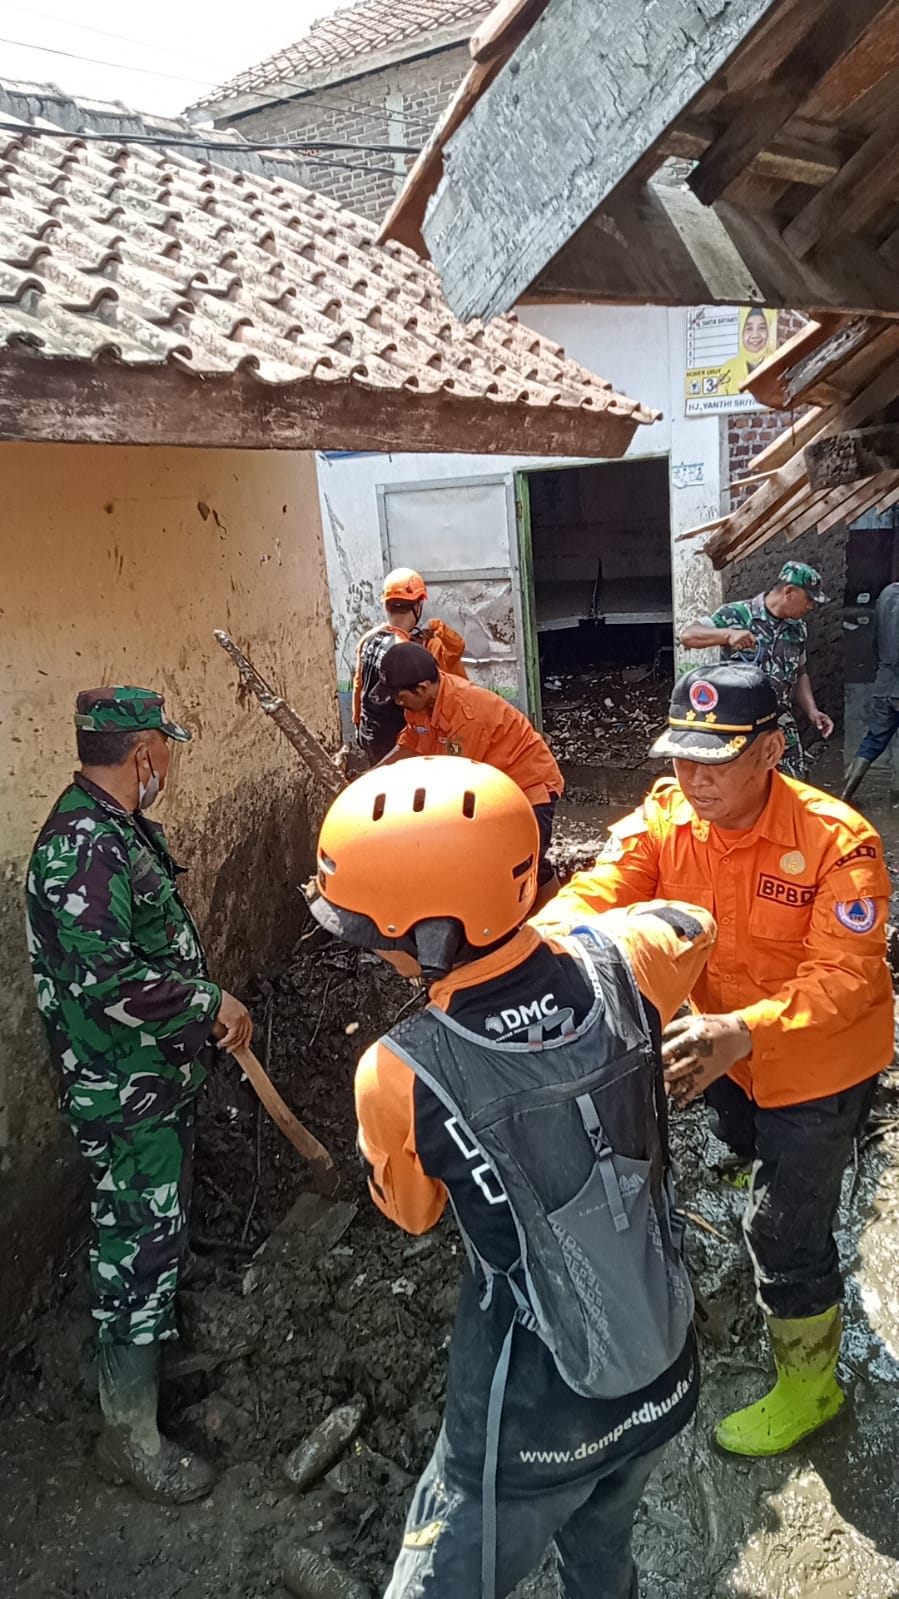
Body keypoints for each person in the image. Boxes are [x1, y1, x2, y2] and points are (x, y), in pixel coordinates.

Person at [308, 755, 715, 1599]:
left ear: (426, 940)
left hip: (531, 1413)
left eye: (374, 935)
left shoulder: (399, 1071)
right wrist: (558, 942)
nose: (373, 950)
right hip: (660, 1364)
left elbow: (415, 1215)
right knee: (604, 1552)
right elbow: (692, 924)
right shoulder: (626, 956)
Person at [536, 664, 893, 1457]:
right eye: (680, 757)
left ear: (770, 750)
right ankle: (750, 1159)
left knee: (784, 1230)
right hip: (726, 1051)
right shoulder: (668, 816)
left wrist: (744, 1028)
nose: (693, 779)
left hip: (820, 1066)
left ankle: (811, 1385)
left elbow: (846, 975)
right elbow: (601, 886)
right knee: (736, 1127)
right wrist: (533, 952)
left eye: (717, 759)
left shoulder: (838, 842)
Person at [25, 686, 253, 1502]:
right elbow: (106, 981)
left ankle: (150, 1374)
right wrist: (208, 1002)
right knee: (136, 1250)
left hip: (152, 1081)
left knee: (155, 1235)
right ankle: (129, 1436)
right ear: (143, 753)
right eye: (169, 745)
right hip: (122, 1094)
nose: (173, 761)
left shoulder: (113, 829)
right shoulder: (82, 849)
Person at [371, 640, 564, 897]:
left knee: (522, 863)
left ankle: (552, 922)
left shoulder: (466, 716)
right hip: (491, 787)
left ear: (422, 688)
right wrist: (372, 778)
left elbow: (456, 783)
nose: (397, 702)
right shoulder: (420, 704)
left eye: (399, 696)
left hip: (528, 787)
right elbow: (412, 743)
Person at [679, 560, 833, 779]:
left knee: (794, 784)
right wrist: (727, 635)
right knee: (743, 783)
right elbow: (688, 636)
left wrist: (812, 711)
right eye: (809, 599)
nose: (811, 606)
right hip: (740, 723)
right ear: (789, 592)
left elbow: (800, 673)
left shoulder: (798, 629)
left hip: (780, 721)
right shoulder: (737, 614)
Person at [353, 567, 467, 766]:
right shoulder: (406, 654)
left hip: (369, 731)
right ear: (418, 606)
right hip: (397, 737)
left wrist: (357, 724)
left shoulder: (368, 638)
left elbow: (358, 687)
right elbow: (423, 701)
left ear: (387, 606)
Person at [842, 580, 899, 802]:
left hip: (885, 683)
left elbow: (875, 640)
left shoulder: (886, 594)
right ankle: (896, 795)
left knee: (874, 740)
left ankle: (845, 796)